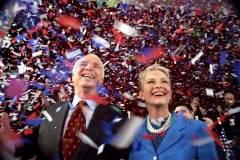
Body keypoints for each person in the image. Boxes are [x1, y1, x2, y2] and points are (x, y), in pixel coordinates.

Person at [0, 54, 129, 160]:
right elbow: (27, 145)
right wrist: (10, 145)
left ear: (101, 80)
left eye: (96, 66)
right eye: (83, 64)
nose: (89, 67)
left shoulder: (119, 118)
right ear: (72, 77)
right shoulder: (48, 112)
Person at [129, 64, 218, 160]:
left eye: (164, 81)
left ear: (170, 93)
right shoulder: (132, 134)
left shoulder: (198, 129)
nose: (158, 86)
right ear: (141, 94)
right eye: (151, 82)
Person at [216, 92, 240, 159]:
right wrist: (221, 114)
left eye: (231, 98)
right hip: (228, 139)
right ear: (224, 100)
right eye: (227, 99)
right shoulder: (219, 111)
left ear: (234, 99)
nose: (230, 100)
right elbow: (218, 125)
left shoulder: (238, 109)